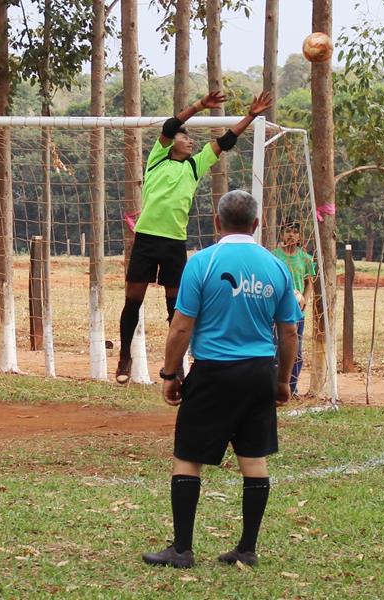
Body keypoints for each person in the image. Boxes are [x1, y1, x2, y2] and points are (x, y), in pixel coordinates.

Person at [142, 190, 301, 569]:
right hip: (259, 372)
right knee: (254, 459)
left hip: (213, 373)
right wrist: (283, 381)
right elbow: (290, 332)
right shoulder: (276, 266)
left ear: (217, 222)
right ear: (257, 224)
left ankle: (181, 550)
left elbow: (181, 326)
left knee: (188, 458)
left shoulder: (203, 263)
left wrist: (170, 374)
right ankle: (247, 549)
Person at [115, 91, 274, 384]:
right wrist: (201, 105)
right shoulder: (158, 159)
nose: (189, 141)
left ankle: (174, 368)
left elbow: (226, 141)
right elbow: (169, 126)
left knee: (175, 308)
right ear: (172, 141)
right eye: (184, 137)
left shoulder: (194, 166)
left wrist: (250, 115)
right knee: (133, 301)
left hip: (174, 243)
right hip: (147, 240)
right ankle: (125, 355)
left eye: (191, 139)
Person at [272, 222, 315, 398]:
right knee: (274, 348)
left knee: (295, 350)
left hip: (296, 311)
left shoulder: (305, 258)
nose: (291, 235)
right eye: (288, 231)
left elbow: (309, 284)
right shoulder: (274, 256)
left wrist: (304, 299)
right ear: (282, 234)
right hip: (276, 311)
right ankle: (273, 386)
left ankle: (292, 387)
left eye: (295, 232)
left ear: (299, 237)